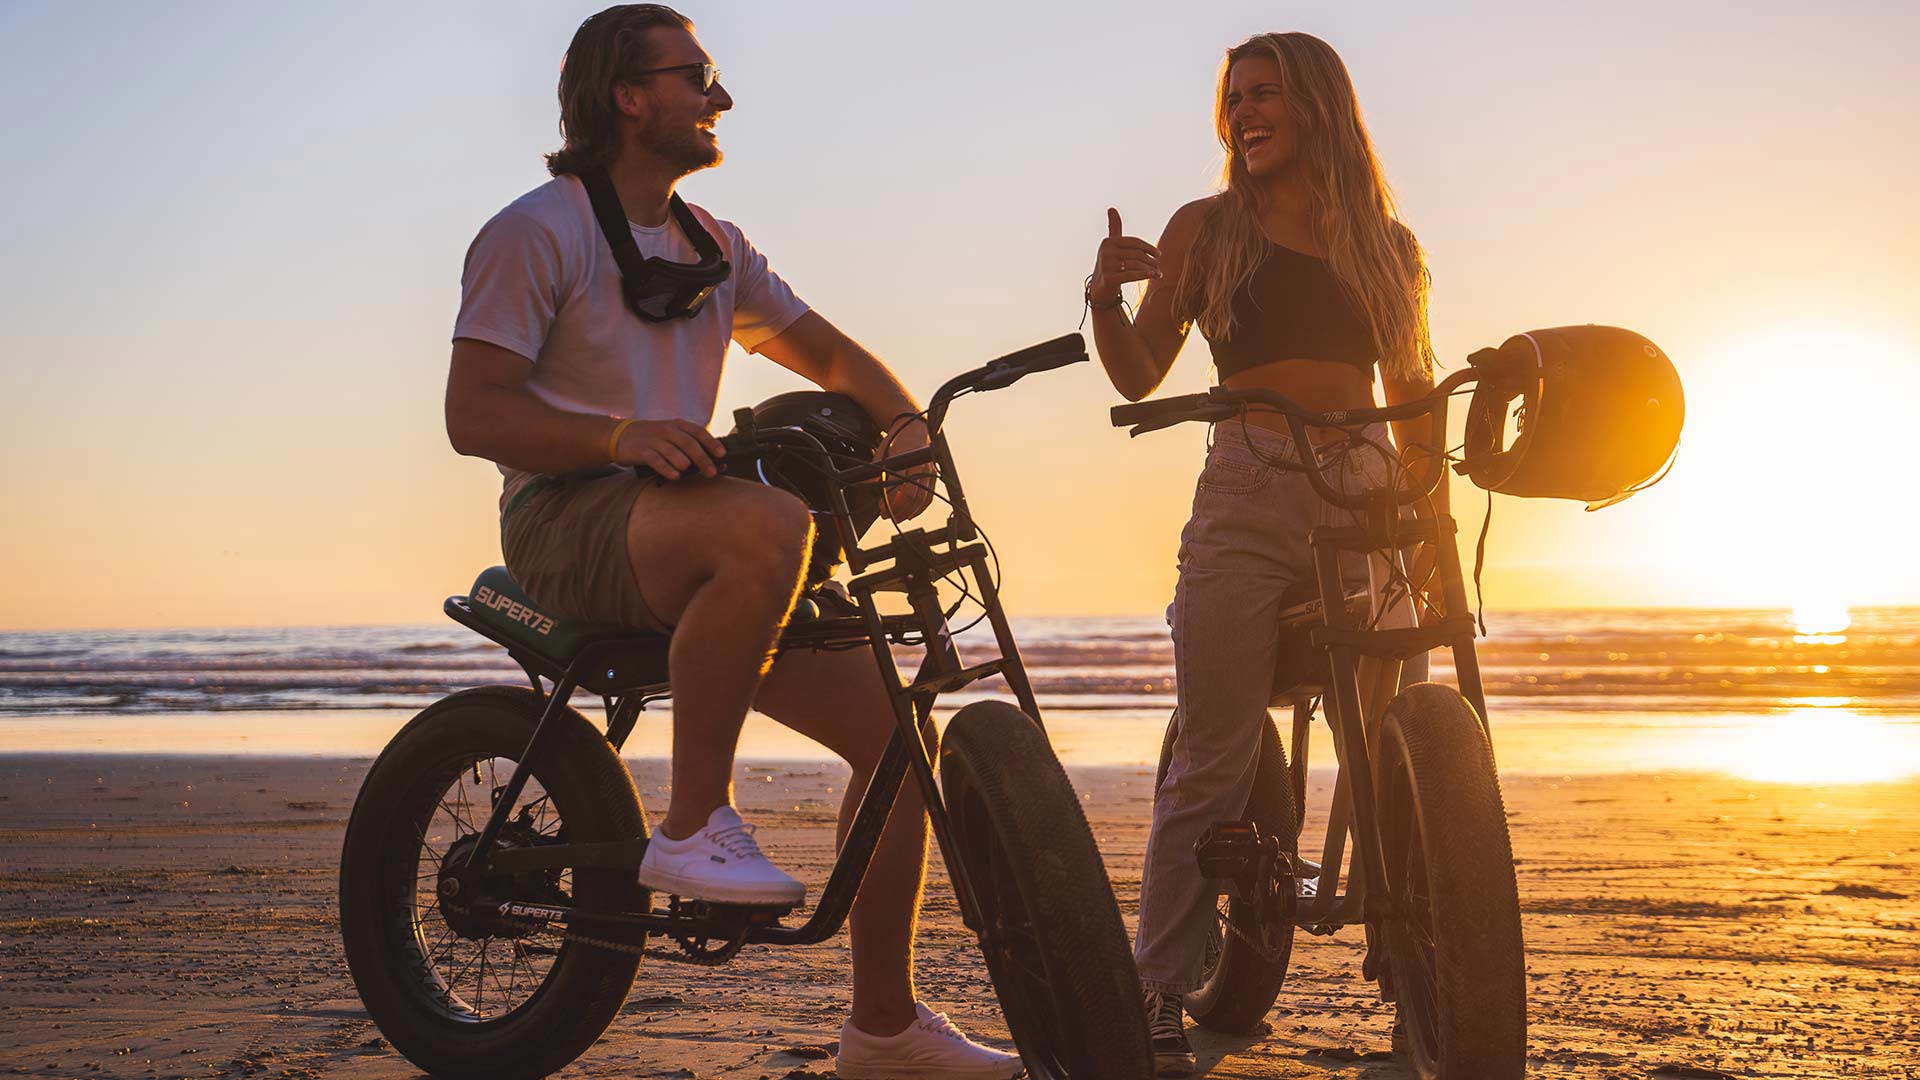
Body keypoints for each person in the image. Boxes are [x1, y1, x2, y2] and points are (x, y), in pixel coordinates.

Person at [445, 6, 1020, 1076]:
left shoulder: (716, 246)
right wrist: (617, 434)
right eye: (696, 76)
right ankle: (695, 821)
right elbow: (473, 416)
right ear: (628, 96)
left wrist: (904, 431)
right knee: (769, 527)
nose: (721, 96)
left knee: (899, 739)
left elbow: (832, 355)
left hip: (691, 530)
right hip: (566, 520)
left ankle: (883, 1029)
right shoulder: (536, 230)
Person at [1084, 32, 1446, 1076]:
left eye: (1264, 94)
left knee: (1391, 747)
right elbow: (1141, 373)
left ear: (1318, 105)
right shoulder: (1208, 228)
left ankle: (1410, 974)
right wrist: (1105, 297)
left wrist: (1427, 514)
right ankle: (1157, 989)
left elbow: (1413, 389)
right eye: (1233, 97)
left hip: (1367, 487)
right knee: (1214, 746)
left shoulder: (1386, 241)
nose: (1243, 112)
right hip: (1245, 488)